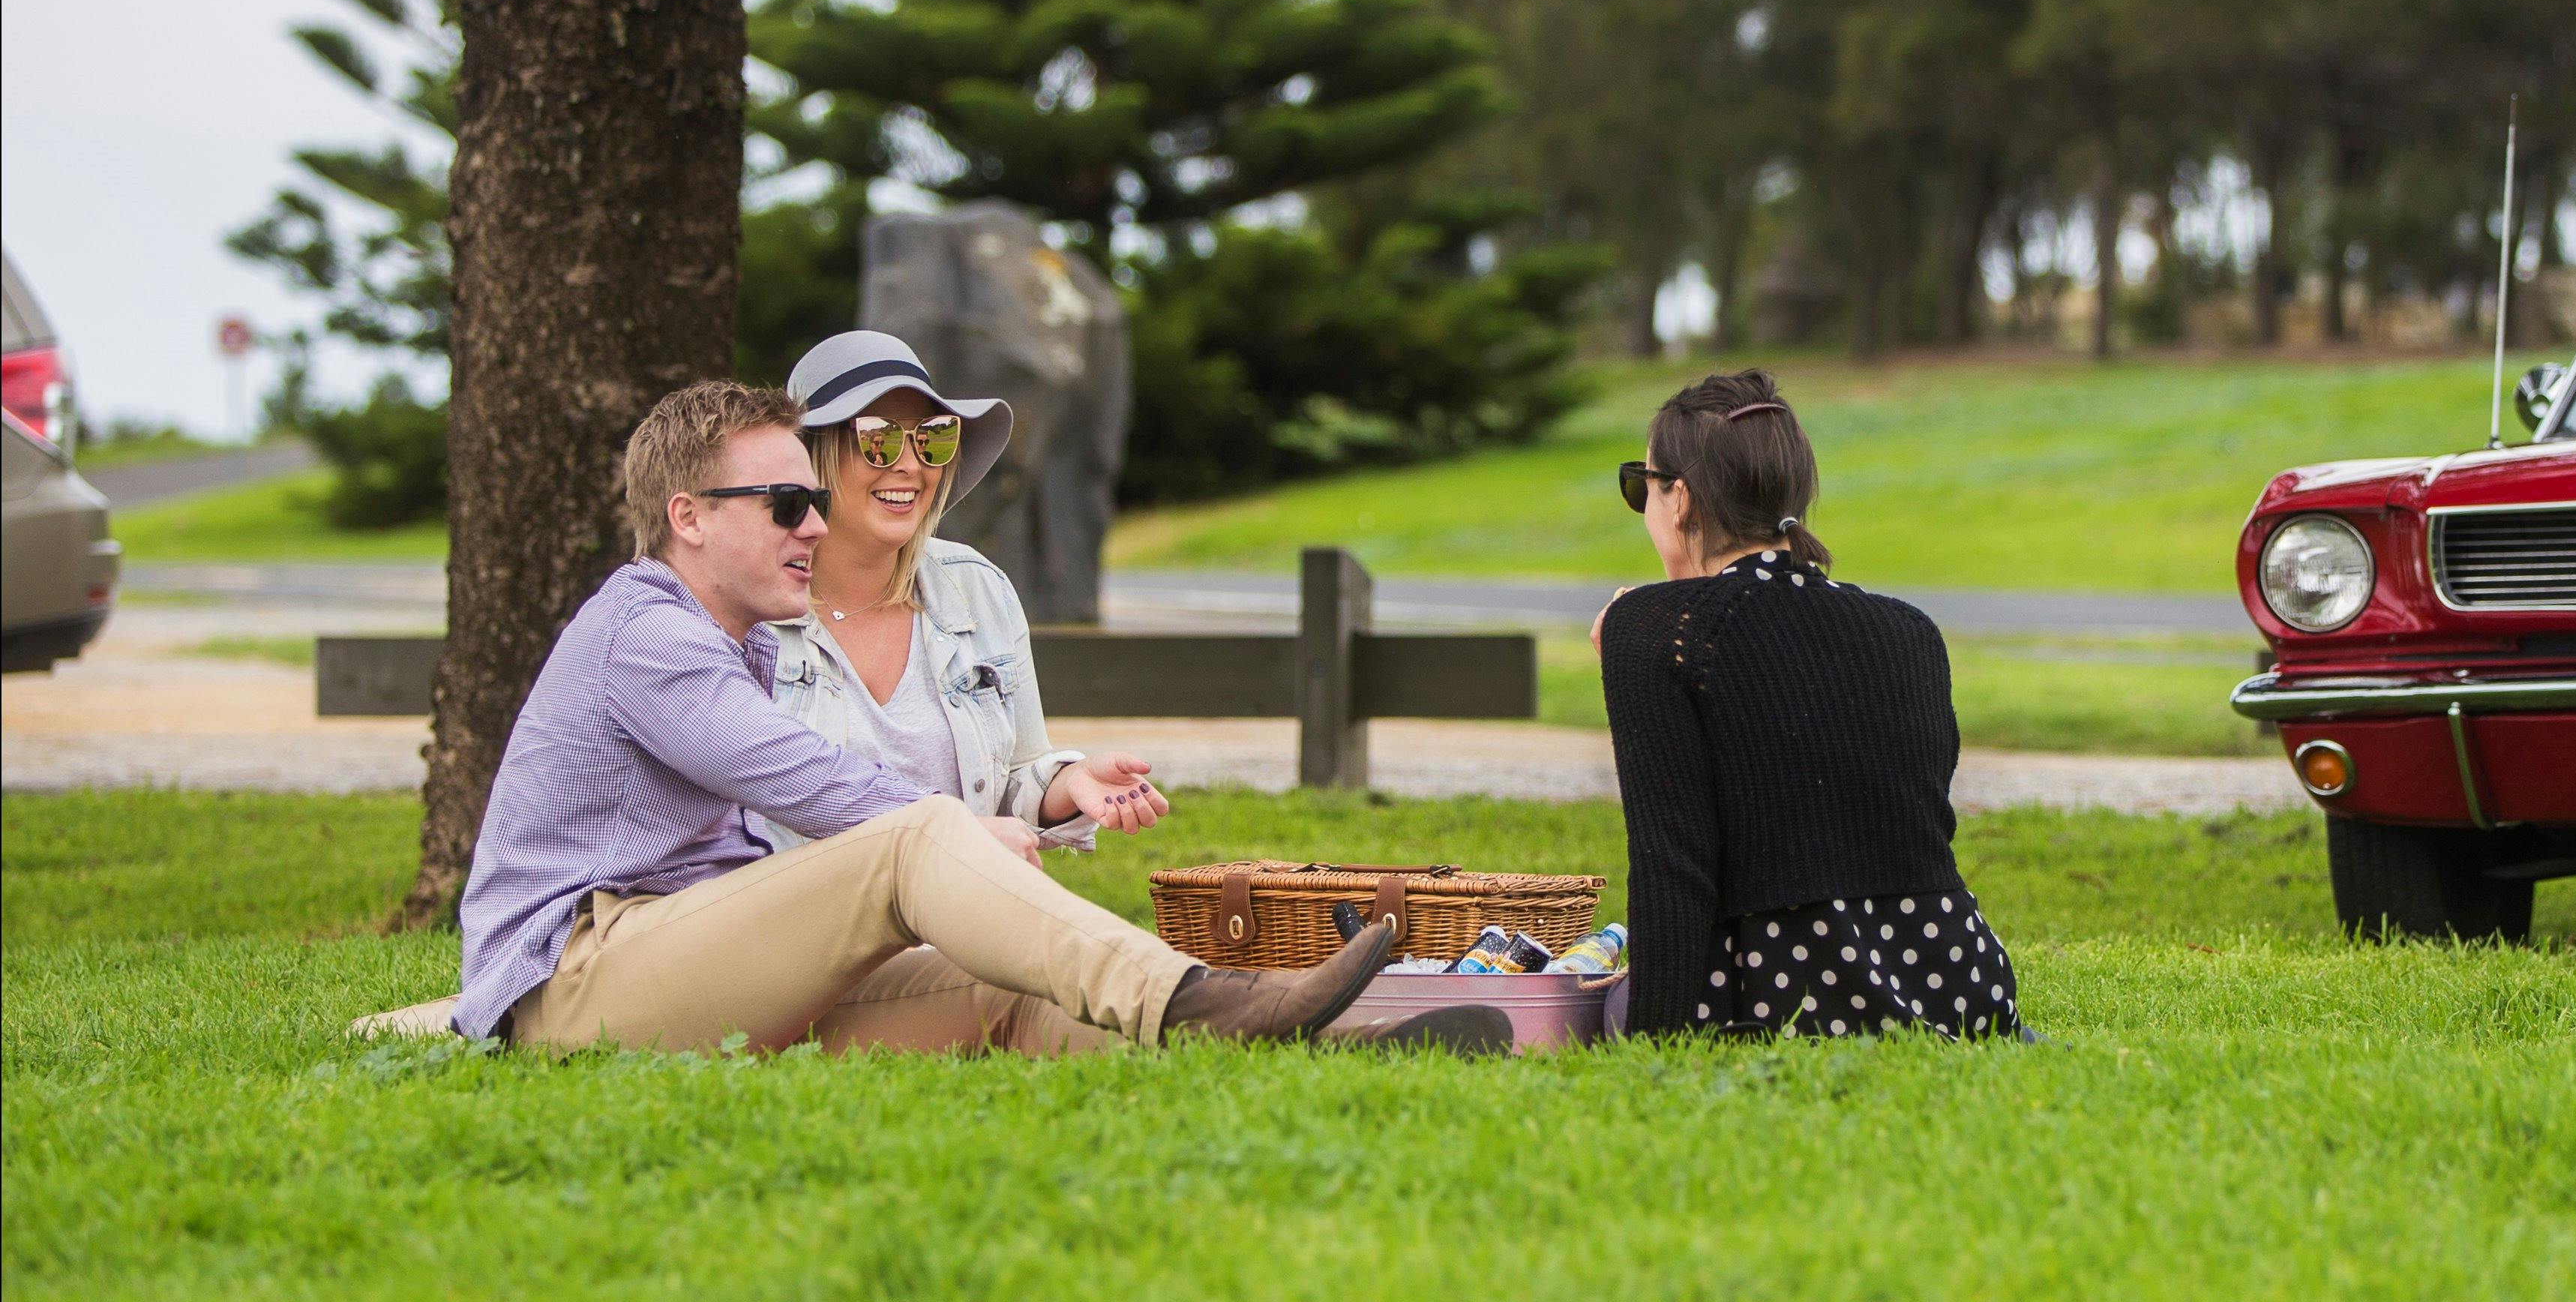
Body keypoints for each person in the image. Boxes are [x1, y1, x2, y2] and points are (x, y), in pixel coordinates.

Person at [450, 378, 1499, 1056]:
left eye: (810, 499)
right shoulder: (648, 633)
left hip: (691, 961)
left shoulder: (751, 635)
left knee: (1013, 978)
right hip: (581, 983)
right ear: (686, 519)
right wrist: (956, 832)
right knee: (910, 836)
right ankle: (1205, 998)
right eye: (785, 502)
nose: (813, 523)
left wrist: (1013, 814)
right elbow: (805, 782)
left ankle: (1293, 1047)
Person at [1597, 370, 2020, 1040]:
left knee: (1603, 1003)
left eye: (1638, 486)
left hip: (1776, 997)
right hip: (1957, 986)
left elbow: (1671, 864)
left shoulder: (1653, 627)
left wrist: (1651, 1046)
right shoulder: (1911, 630)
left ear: (1679, 500)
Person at [754, 329, 1165, 857]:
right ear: (810, 460)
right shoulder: (750, 610)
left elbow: (1014, 778)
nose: (911, 463)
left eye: (933, 436)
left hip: (959, 916)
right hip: (808, 926)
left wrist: (1072, 785)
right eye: (877, 438)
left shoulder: (976, 587)